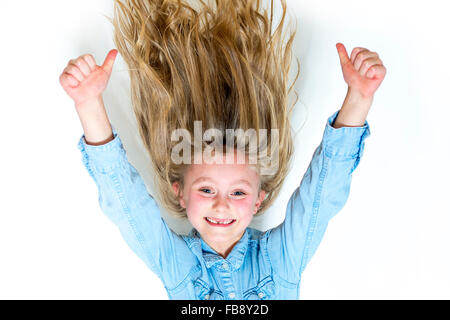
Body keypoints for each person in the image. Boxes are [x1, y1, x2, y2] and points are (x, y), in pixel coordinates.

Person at [59, 0, 386, 299]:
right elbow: (127, 205)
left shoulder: (280, 260)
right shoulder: (179, 265)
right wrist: (88, 102)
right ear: (180, 193)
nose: (220, 204)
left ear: (259, 198)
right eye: (205, 188)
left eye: (239, 193)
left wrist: (359, 96)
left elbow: (321, 196)